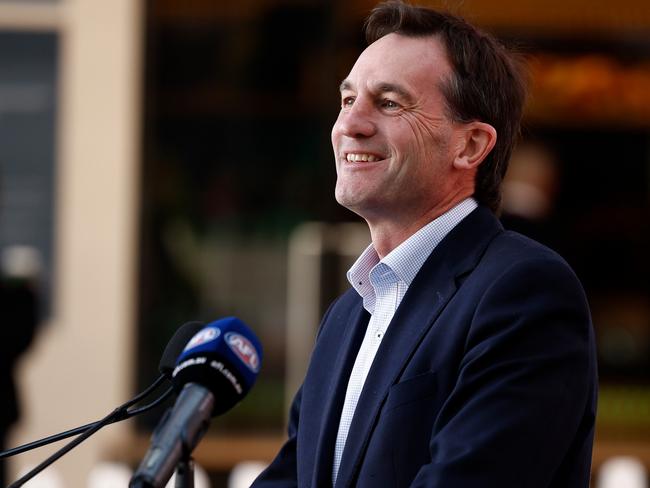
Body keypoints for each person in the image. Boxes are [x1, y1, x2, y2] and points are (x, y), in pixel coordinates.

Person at [253, 1, 597, 486]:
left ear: (470, 145)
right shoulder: (347, 315)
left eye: (390, 102)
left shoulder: (524, 292)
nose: (351, 124)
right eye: (348, 100)